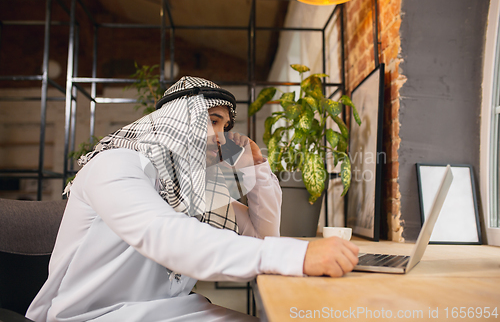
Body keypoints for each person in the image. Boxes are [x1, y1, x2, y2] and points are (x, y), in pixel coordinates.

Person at [26, 76, 359, 322]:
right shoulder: (115, 164)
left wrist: (258, 168)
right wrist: (299, 255)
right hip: (94, 317)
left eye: (225, 126)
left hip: (168, 311)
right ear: (176, 121)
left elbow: (262, 237)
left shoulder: (191, 188)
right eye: (213, 121)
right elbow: (166, 235)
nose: (221, 136)